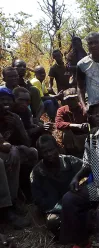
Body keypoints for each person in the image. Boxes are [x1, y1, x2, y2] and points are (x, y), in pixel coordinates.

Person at [60, 98, 99, 248]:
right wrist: (77, 177)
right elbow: (87, 165)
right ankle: (81, 242)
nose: (98, 115)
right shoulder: (92, 138)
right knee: (70, 199)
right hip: (98, 188)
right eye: (95, 113)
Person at [30, 135, 82, 238]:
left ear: (57, 147)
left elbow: (87, 169)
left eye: (51, 150)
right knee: (53, 221)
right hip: (55, 210)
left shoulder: (70, 161)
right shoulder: (37, 173)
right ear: (40, 153)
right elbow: (39, 200)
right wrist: (61, 208)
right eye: (45, 152)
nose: (49, 154)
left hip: (75, 204)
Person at [0, 88, 32, 229]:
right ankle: (6, 209)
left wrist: (19, 126)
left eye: (8, 99)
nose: (5, 102)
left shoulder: (15, 117)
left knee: (29, 153)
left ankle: (18, 197)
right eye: (2, 99)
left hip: (6, 148)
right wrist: (10, 148)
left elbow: (27, 143)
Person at [55, 88, 89, 158]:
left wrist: (86, 125)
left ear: (77, 98)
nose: (70, 102)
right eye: (68, 100)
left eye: (72, 99)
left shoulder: (84, 108)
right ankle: (72, 155)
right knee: (66, 134)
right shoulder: (62, 110)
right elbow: (58, 124)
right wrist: (75, 125)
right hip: (72, 138)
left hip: (85, 135)